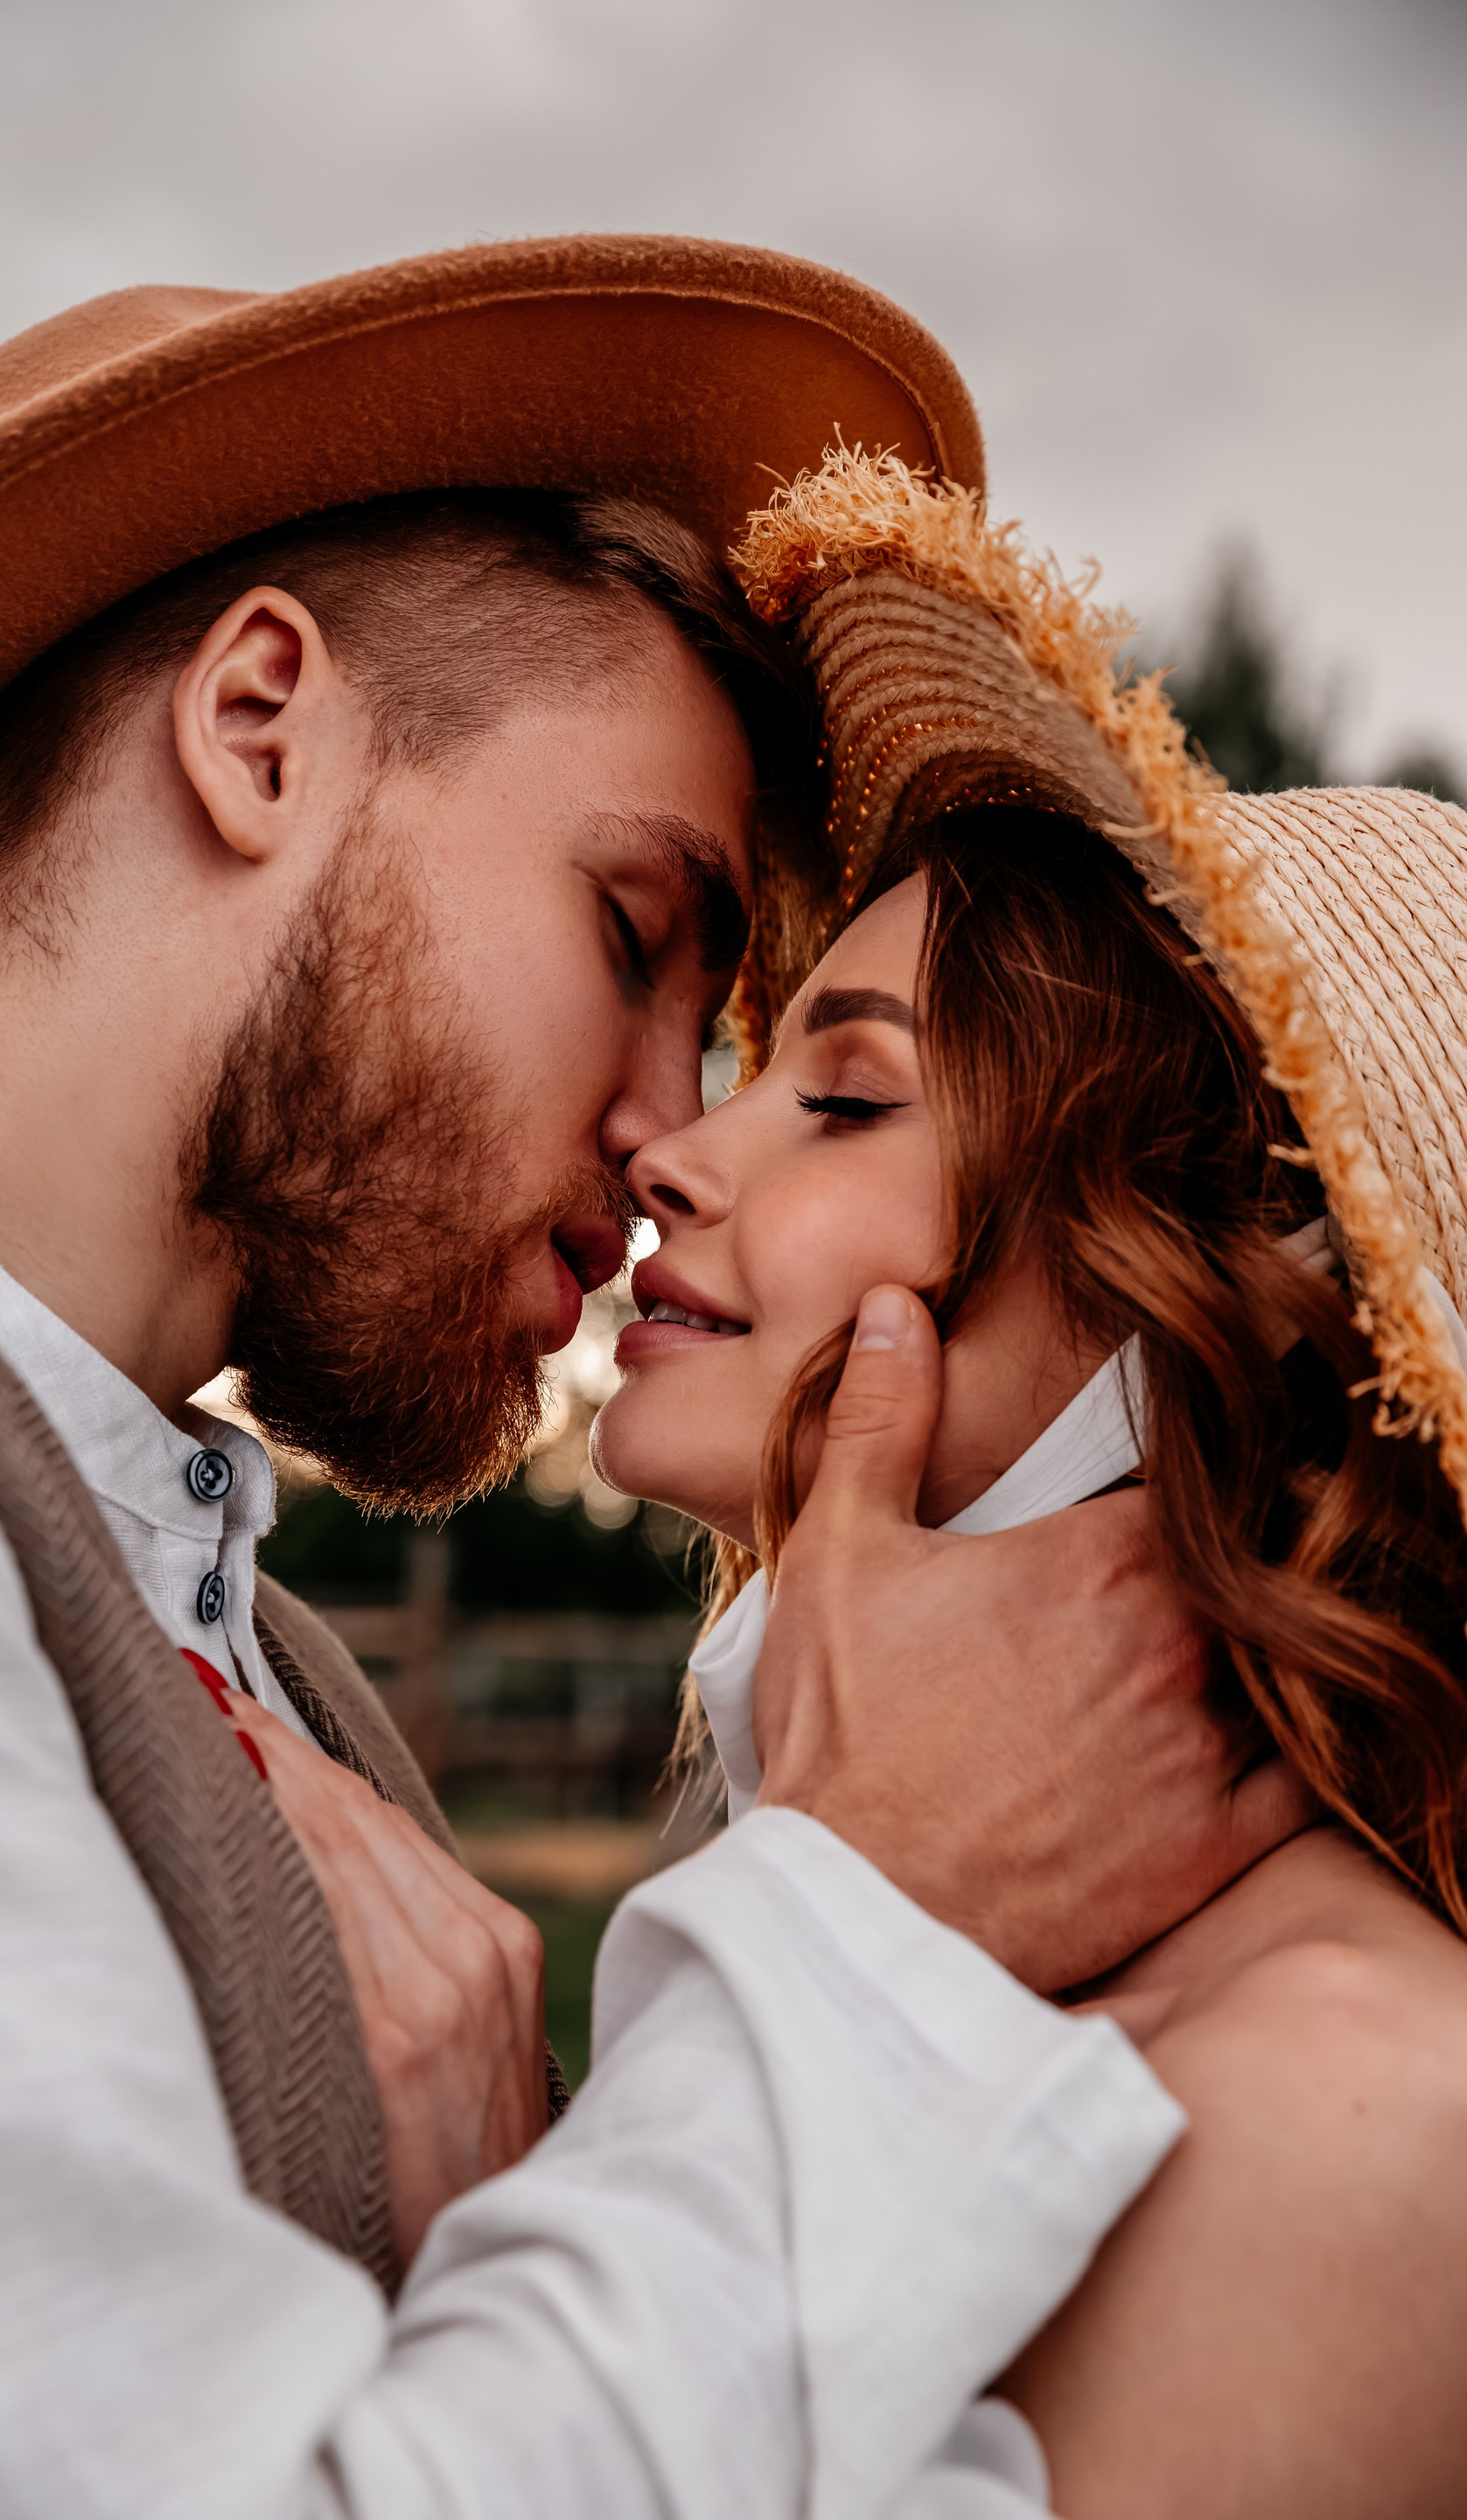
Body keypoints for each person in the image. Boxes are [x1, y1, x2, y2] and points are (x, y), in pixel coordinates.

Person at [0, 241, 1296, 2519]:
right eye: (631, 929)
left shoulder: (286, 1678)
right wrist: (874, 1911)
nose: (668, 1124)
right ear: (258, 727)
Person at [590, 443, 1467, 2516]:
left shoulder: (1351, 2104)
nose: (676, 1155)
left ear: (1216, 1289)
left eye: (847, 1099)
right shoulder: (976, 1929)